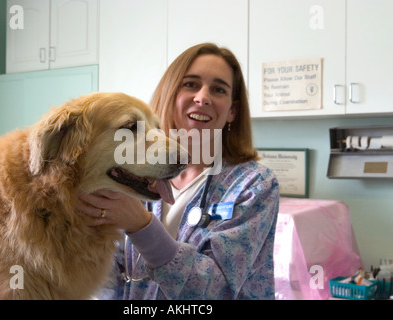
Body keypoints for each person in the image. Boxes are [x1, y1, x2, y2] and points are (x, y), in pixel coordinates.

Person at [77, 43, 279, 299]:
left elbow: (216, 291)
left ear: (232, 111)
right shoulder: (128, 175)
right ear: (170, 95)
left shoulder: (255, 185)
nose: (202, 97)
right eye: (191, 84)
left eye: (218, 89)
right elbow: (103, 276)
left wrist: (140, 225)